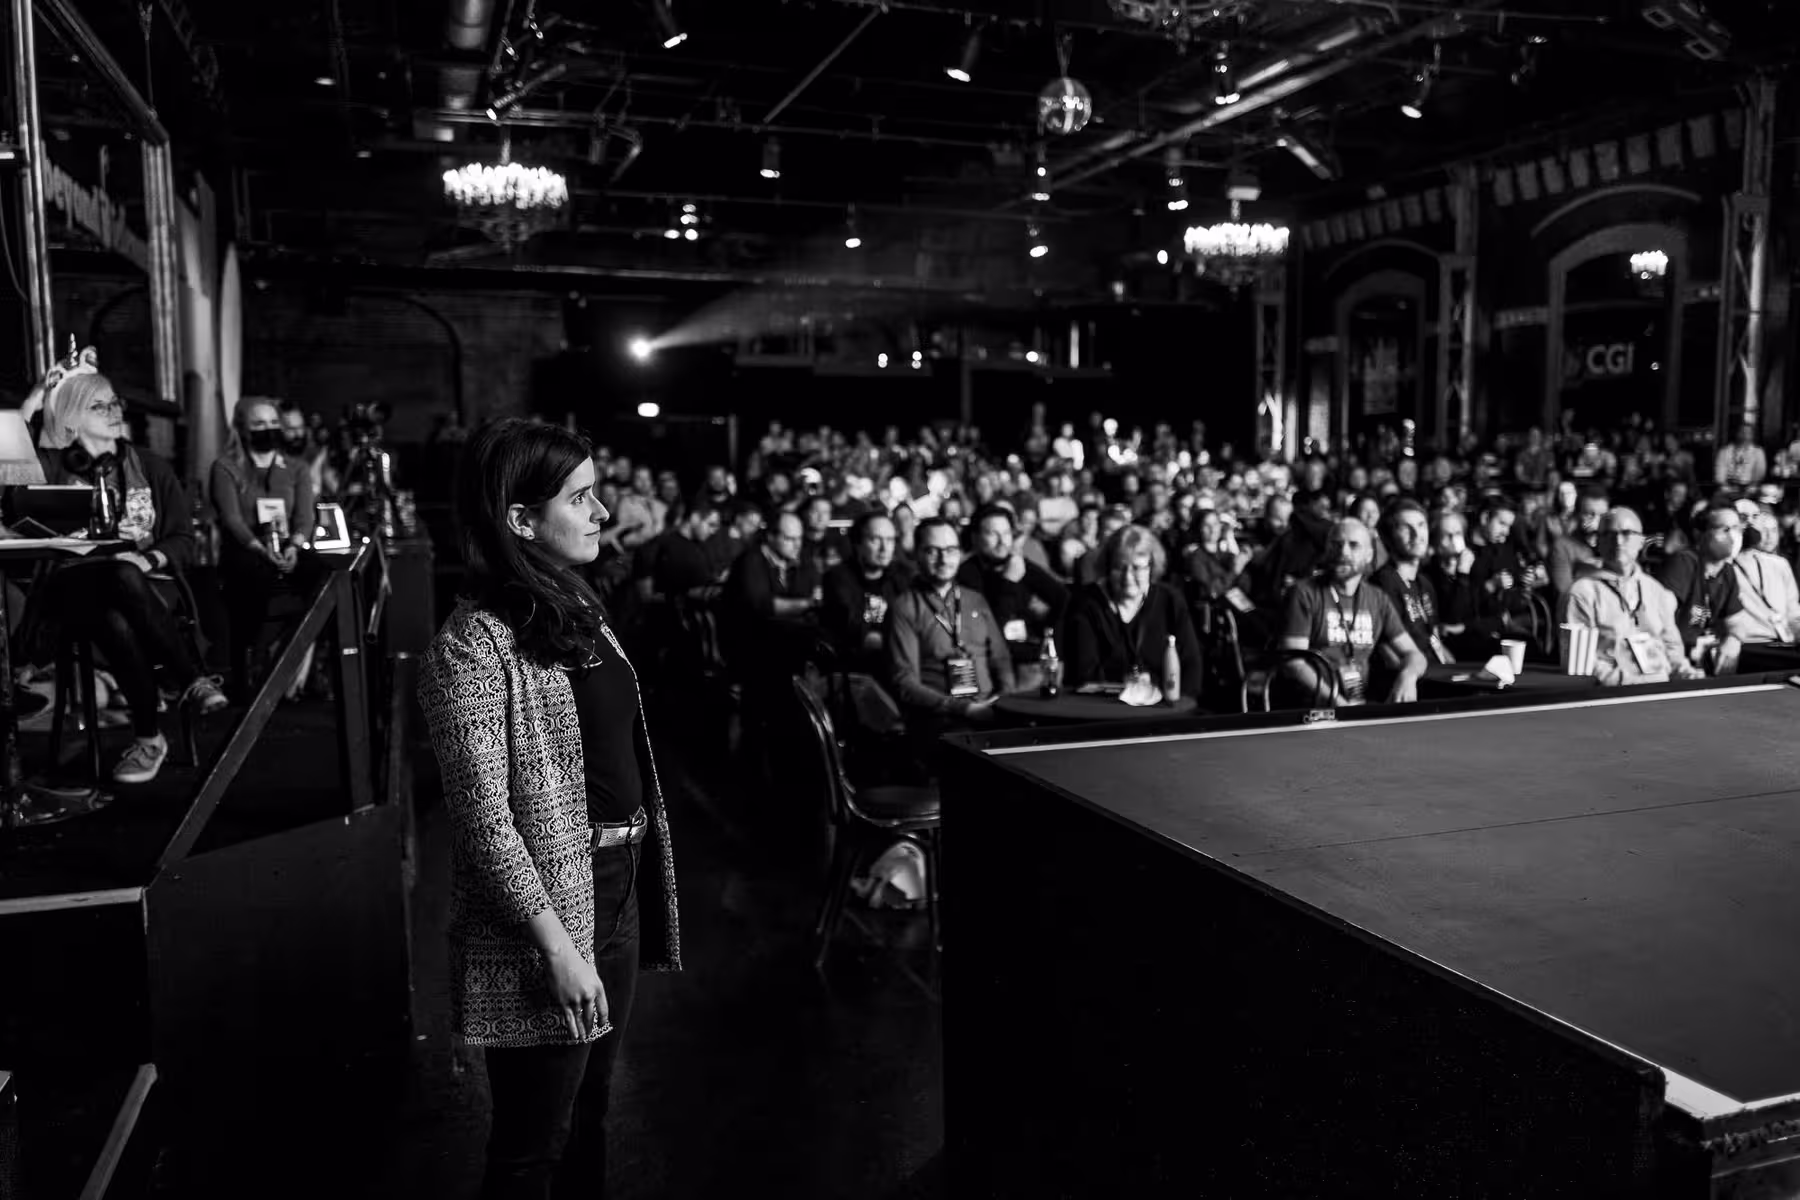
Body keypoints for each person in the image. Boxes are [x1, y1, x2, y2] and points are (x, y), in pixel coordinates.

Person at [416, 418, 680, 1200]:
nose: (602, 513)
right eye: (582, 497)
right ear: (520, 519)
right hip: (555, 911)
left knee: (592, 1111)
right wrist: (558, 948)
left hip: (618, 881)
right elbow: (485, 826)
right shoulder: (470, 648)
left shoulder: (575, 605)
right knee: (534, 1142)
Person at [21, 350, 227, 783]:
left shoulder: (149, 466)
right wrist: (37, 398)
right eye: (100, 406)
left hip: (146, 588)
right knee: (115, 576)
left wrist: (146, 557)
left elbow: (183, 540)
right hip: (71, 588)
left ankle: (149, 740)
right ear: (72, 417)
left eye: (115, 403)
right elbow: (8, 466)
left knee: (116, 600)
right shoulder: (54, 465)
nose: (114, 411)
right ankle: (191, 678)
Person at [211, 396, 319, 694]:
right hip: (248, 551)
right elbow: (231, 519)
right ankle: (250, 670)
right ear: (243, 429)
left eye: (273, 423)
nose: (268, 429)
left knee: (325, 573)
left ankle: (305, 667)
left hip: (288, 547)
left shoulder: (296, 469)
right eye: (259, 423)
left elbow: (305, 517)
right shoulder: (226, 467)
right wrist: (262, 550)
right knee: (251, 576)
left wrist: (295, 546)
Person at [884, 517, 1014, 758]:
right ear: (917, 555)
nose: (944, 559)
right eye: (933, 551)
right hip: (942, 719)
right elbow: (904, 682)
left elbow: (1001, 659)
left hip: (992, 709)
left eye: (951, 550)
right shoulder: (904, 607)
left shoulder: (975, 599)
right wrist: (965, 709)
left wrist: (1004, 698)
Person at [1278, 518, 1426, 706]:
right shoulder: (1303, 593)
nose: (1343, 552)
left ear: (1369, 555)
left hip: (1356, 705)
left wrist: (1408, 677)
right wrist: (1338, 703)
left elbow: (1414, 655)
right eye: (1336, 544)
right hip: (1309, 708)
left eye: (1353, 545)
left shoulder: (1377, 599)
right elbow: (1294, 663)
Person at [1060, 525, 1203, 698]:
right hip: (1103, 709)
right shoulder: (1086, 604)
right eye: (1119, 568)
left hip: (1164, 710)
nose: (1128, 577)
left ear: (1151, 567)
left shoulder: (1170, 601)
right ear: (1107, 568)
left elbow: (1191, 667)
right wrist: (1131, 683)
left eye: (1137, 568)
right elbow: (1082, 674)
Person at [1564, 508, 1700, 686]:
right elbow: (1580, 662)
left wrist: (1687, 674)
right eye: (1609, 535)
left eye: (1626, 533)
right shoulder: (1582, 592)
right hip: (1612, 693)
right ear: (1598, 541)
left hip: (1659, 686)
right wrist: (1625, 682)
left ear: (1641, 541)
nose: (1618, 541)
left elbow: (1672, 647)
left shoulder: (1655, 590)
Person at [1656, 503, 1751, 675]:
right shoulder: (1683, 563)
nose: (1733, 536)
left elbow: (1737, 623)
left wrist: (1733, 640)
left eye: (1737, 528)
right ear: (1700, 534)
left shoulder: (1728, 572)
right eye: (1725, 529)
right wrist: (1680, 665)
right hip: (1672, 662)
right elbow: (1662, 621)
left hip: (1701, 660)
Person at [821, 511, 913, 677]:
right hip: (854, 669)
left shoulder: (903, 576)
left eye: (890, 540)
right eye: (875, 540)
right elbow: (852, 630)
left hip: (899, 666)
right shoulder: (837, 578)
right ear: (857, 544)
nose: (885, 548)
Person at [1733, 505, 1800, 645]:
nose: (1769, 537)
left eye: (1774, 530)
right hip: (1745, 643)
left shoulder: (1781, 564)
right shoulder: (1729, 567)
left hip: (1782, 640)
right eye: (1764, 531)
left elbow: (1793, 612)